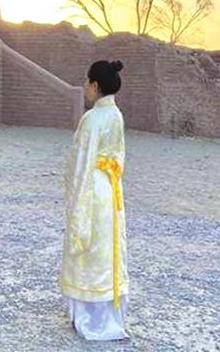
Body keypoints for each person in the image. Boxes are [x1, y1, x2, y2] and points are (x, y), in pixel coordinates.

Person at [60, 59, 128, 341]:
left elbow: (81, 163)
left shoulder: (92, 118)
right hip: (110, 188)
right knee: (107, 247)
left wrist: (73, 196)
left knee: (89, 246)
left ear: (95, 85)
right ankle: (108, 312)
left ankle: (89, 314)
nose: (85, 87)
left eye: (87, 82)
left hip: (93, 187)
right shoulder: (115, 114)